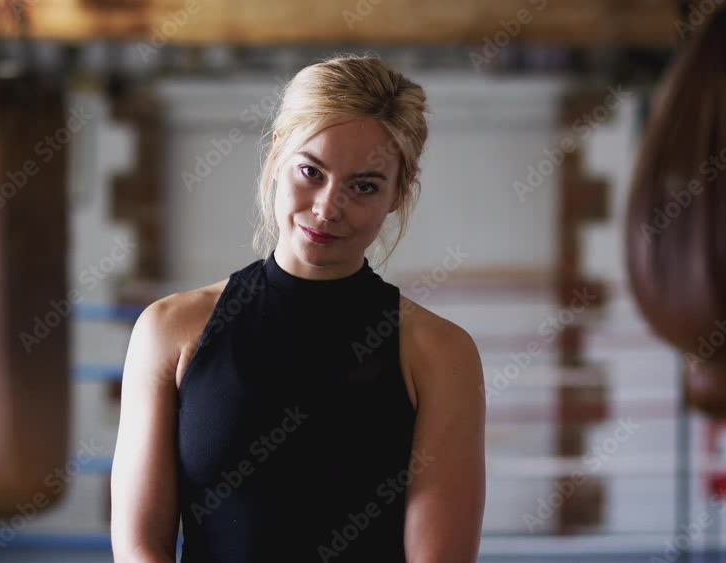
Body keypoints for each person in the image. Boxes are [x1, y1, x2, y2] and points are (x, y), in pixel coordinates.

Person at [111, 54, 485, 563]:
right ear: (277, 154)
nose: (328, 207)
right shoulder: (169, 331)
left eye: (364, 185)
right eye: (311, 171)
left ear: (398, 193)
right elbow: (139, 547)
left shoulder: (439, 353)